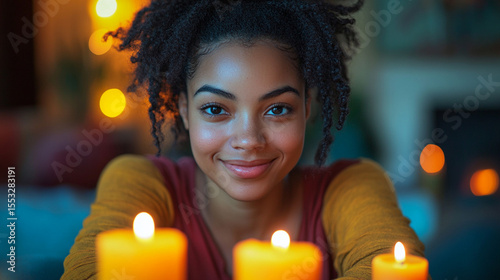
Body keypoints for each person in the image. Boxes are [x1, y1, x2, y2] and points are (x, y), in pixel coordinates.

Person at [62, 0, 427, 279]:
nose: (249, 140)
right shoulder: (139, 181)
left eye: (278, 110)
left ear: (308, 108)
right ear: (184, 110)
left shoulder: (351, 187)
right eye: (217, 109)